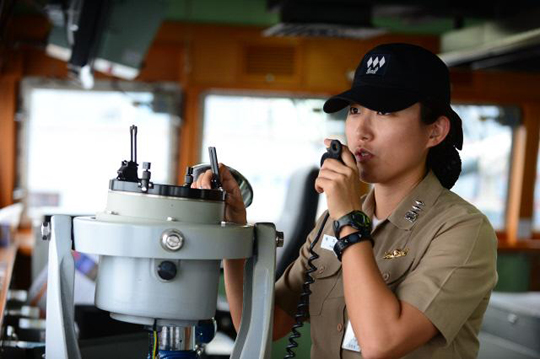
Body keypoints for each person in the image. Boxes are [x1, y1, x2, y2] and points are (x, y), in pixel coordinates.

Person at [193, 43, 498, 359]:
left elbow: (381, 343)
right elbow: (259, 326)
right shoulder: (332, 221)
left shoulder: (463, 230)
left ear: (434, 132)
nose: (361, 131)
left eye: (384, 112)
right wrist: (234, 230)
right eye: (354, 110)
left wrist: (349, 219)